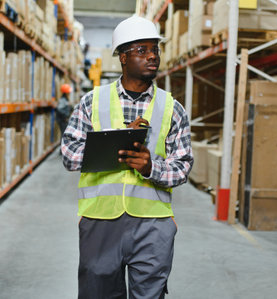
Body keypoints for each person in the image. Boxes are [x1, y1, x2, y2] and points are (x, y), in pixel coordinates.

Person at [61, 15, 193, 299]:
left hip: (153, 224)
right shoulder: (92, 101)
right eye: (142, 50)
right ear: (122, 57)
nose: (152, 57)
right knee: (98, 293)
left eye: (155, 50)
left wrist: (150, 167)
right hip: (100, 219)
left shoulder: (172, 108)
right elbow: (69, 154)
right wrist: (113, 145)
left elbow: (182, 167)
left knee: (150, 294)